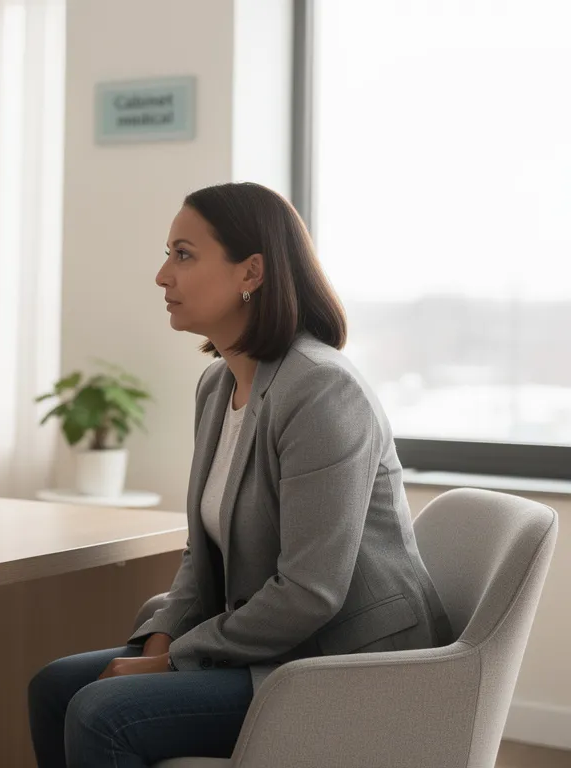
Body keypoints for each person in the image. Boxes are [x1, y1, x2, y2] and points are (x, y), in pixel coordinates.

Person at [27, 182, 452, 767]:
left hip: (344, 665)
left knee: (101, 712)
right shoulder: (217, 386)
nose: (161, 275)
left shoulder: (322, 390)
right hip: (278, 650)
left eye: (183, 254)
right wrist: (164, 635)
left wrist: (174, 661)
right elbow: (203, 552)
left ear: (250, 272)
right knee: (54, 686)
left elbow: (311, 591)